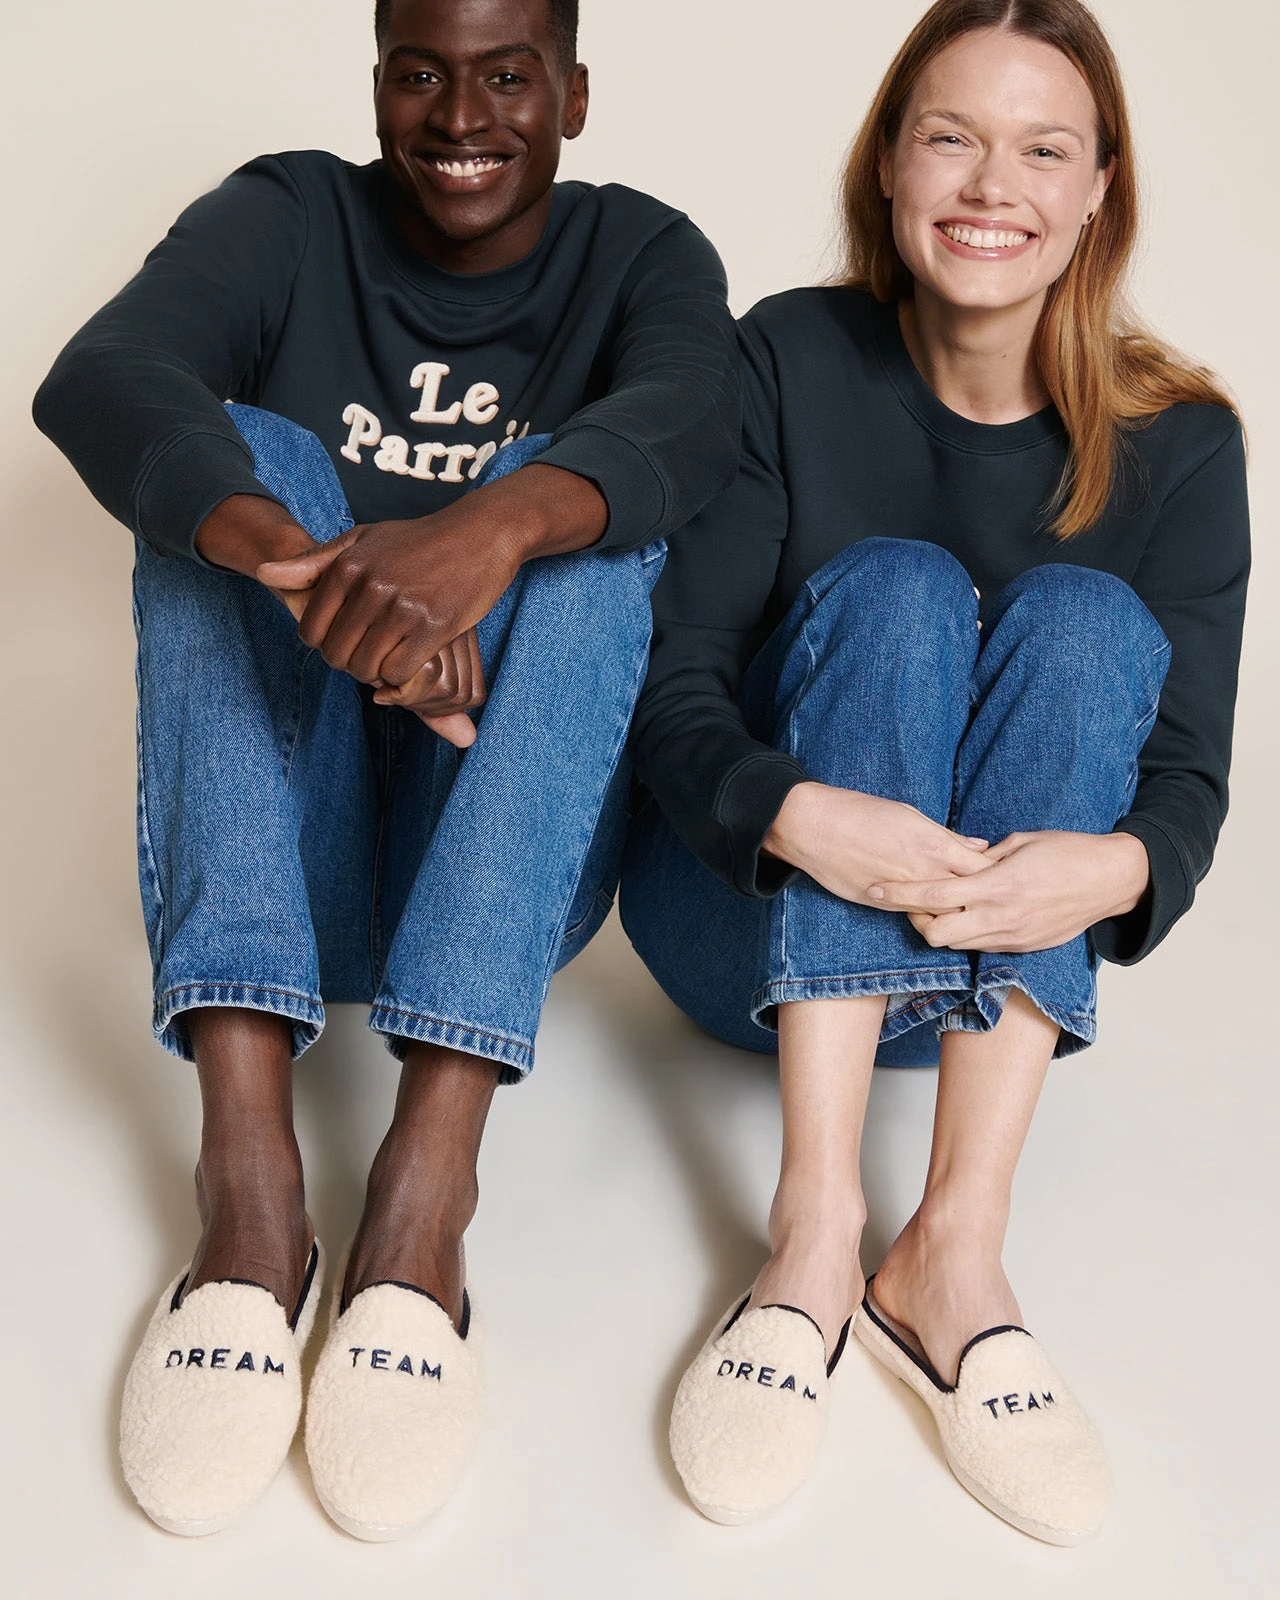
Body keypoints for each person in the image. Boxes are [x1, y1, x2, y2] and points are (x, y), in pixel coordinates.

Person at [32, 0, 738, 1541]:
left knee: (587, 513)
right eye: (421, 72)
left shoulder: (642, 251)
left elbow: (698, 420)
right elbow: (99, 376)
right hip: (291, 856)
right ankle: (248, 1192)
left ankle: (426, 1194)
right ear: (376, 84)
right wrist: (317, 579)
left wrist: (484, 538)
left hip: (500, 856)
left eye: (507, 76)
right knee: (229, 461)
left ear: (573, 92)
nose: (460, 116)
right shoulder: (290, 214)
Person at [620, 0, 1248, 1544]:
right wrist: (805, 817)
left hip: (992, 978)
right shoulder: (783, 357)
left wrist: (1110, 866)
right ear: (890, 163)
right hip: (748, 943)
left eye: (1043, 150)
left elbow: (1184, 782)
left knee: (1087, 619)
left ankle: (954, 1248)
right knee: (898, 586)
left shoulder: (1182, 441)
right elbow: (675, 693)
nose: (991, 186)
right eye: (951, 137)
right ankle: (815, 1229)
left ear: (1098, 190)